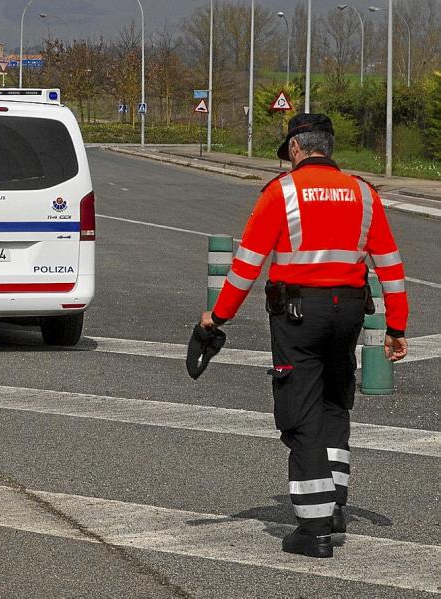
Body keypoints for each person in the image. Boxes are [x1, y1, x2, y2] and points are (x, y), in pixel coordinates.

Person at [200, 113, 408, 558]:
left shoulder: (283, 192)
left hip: (298, 315)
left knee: (301, 409)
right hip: (349, 312)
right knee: (335, 401)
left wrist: (216, 318)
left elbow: (246, 265)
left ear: (295, 148)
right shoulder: (364, 194)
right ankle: (334, 508)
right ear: (328, 147)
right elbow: (390, 265)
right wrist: (396, 327)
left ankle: (314, 529)